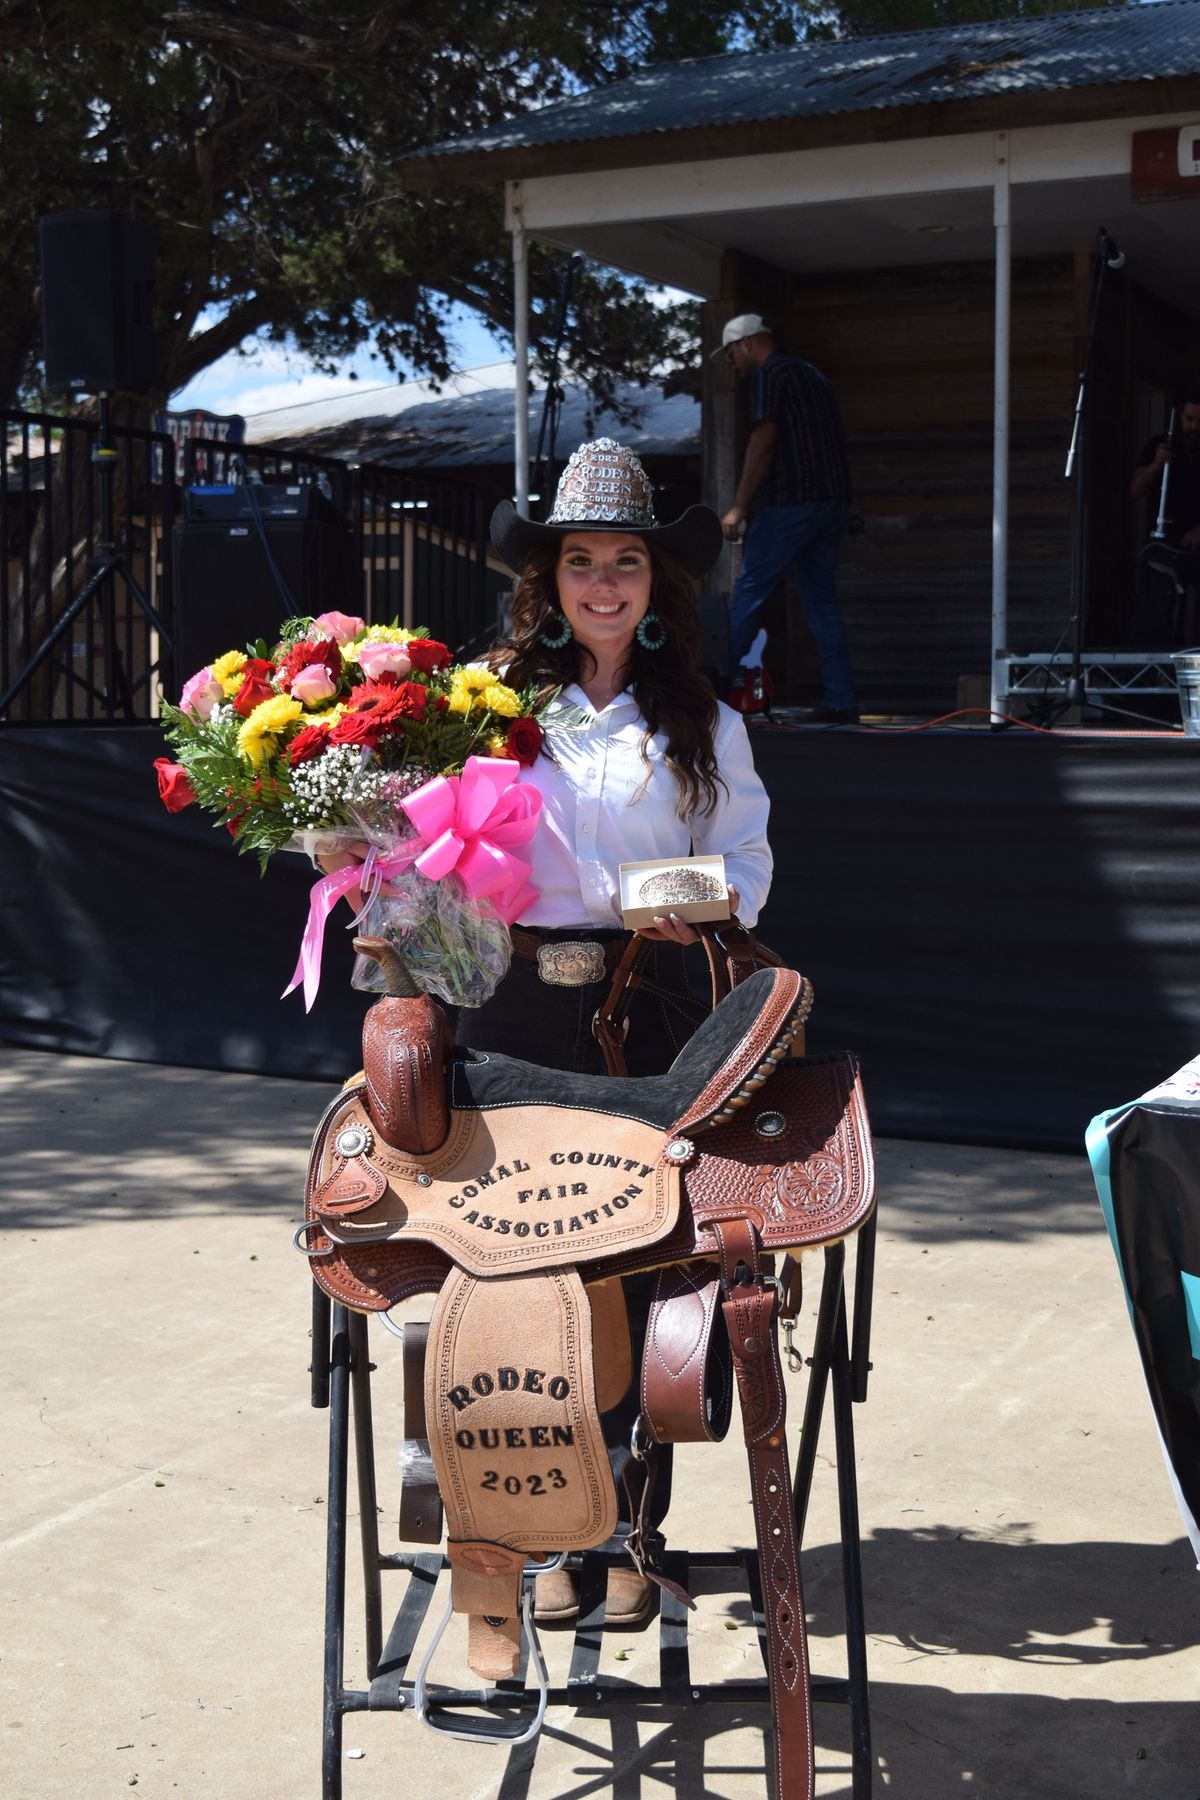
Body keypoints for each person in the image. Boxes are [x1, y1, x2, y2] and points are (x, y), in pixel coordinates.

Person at [479, 437, 774, 1624]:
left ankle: (626, 1525)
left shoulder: (704, 717)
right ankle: (539, 1519)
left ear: (660, 584)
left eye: (627, 563)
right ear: (547, 578)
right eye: (581, 561)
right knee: (524, 1245)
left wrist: (693, 895)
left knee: (642, 1249)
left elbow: (750, 864)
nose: (604, 583)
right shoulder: (494, 701)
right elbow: (442, 842)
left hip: (655, 999)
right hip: (518, 997)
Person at [716, 312, 859, 723]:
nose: (734, 365)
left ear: (746, 343)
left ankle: (709, 699)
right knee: (821, 601)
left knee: (749, 592)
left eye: (731, 355)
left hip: (790, 503)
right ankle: (842, 701)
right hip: (830, 503)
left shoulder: (771, 376)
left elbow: (763, 440)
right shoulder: (812, 374)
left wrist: (740, 505)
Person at [1131, 392, 1200, 643]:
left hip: (1195, 544)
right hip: (1163, 542)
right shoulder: (1162, 444)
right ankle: (1152, 668)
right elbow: (1136, 489)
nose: (1194, 427)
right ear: (1179, 416)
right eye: (1189, 419)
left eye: (1199, 420)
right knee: (1155, 609)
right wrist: (1156, 465)